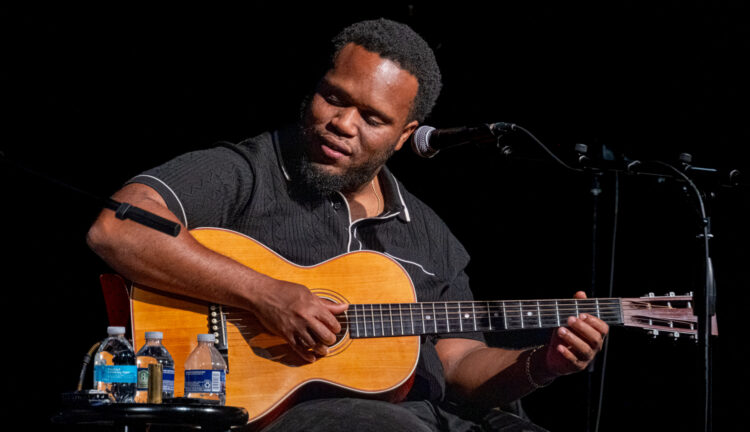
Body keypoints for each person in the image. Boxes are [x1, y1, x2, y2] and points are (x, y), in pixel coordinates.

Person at [87, 18, 608, 432]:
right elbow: (118, 229)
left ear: (404, 136)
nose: (343, 123)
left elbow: (457, 365)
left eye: (372, 118)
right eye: (334, 97)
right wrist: (266, 295)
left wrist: (541, 365)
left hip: (428, 414)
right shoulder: (251, 170)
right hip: (287, 413)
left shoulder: (428, 234)